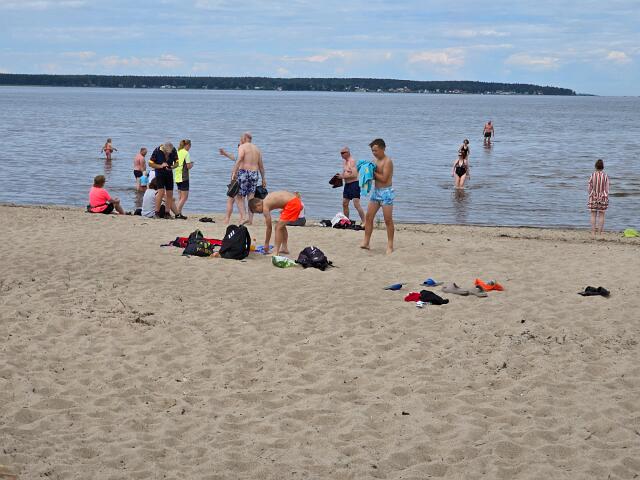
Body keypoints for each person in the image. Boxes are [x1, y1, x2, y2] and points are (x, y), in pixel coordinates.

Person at [360, 138, 395, 255]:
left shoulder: (387, 161)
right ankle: (366, 242)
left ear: (383, 148)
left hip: (386, 193)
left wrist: (372, 172)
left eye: (376, 150)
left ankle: (390, 245)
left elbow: (384, 179)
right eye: (372, 151)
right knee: (369, 217)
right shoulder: (374, 161)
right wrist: (365, 171)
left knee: (388, 220)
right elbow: (370, 176)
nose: (374, 153)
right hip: (376, 192)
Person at [248, 191, 303, 256]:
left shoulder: (265, 206)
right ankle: (284, 248)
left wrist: (266, 243)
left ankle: (276, 252)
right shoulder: (266, 199)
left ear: (258, 205)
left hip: (293, 203)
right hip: (295, 201)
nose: (260, 213)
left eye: (257, 211)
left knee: (277, 227)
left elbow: (269, 227)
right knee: (281, 226)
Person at [231, 132, 266, 225]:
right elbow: (261, 166)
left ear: (245, 138)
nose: (240, 140)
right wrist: (263, 179)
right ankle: (250, 220)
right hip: (254, 173)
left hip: (244, 172)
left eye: (241, 138)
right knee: (251, 197)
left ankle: (243, 217)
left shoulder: (242, 147)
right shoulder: (257, 149)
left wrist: (234, 172)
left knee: (238, 195)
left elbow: (240, 159)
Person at [149, 142, 178, 219]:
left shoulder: (173, 150)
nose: (168, 154)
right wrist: (160, 166)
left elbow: (177, 163)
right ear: (164, 150)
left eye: (170, 153)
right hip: (159, 173)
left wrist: (172, 167)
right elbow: (150, 164)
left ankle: (167, 213)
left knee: (170, 193)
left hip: (169, 173)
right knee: (161, 192)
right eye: (167, 153)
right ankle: (156, 213)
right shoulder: (157, 150)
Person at [338, 147, 366, 223]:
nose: (341, 155)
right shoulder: (345, 162)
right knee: (345, 203)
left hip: (354, 184)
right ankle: (346, 221)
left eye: (343, 153)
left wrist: (342, 176)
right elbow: (345, 173)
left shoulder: (352, 161)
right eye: (340, 153)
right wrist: (338, 177)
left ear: (348, 153)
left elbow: (354, 175)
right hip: (347, 185)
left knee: (356, 204)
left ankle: (364, 221)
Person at [219, 144, 244, 224]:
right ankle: (239, 218)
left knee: (232, 200)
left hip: (236, 180)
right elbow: (233, 157)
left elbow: (236, 164)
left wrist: (233, 176)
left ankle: (231, 219)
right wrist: (225, 153)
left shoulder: (241, 156)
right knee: (236, 200)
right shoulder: (246, 156)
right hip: (241, 180)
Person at [588, 159, 610, 239]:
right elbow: (607, 188)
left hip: (593, 197)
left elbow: (589, 187)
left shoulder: (592, 175)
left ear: (595, 166)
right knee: (601, 215)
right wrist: (605, 196)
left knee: (593, 215)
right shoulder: (605, 176)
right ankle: (600, 233)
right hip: (603, 197)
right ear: (602, 167)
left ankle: (593, 233)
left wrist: (592, 194)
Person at [174, 139, 193, 220]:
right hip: (184, 176)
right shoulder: (186, 153)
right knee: (184, 197)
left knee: (180, 197)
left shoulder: (178, 152)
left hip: (177, 176)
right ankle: (177, 213)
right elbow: (188, 166)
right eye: (190, 146)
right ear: (187, 145)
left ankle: (179, 213)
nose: (190, 148)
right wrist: (192, 164)